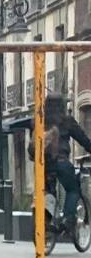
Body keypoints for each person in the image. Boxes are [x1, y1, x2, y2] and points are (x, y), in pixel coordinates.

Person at [28, 93, 91, 235]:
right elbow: (83, 139)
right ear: (62, 106)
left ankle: (46, 221)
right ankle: (67, 220)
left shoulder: (38, 120)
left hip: (42, 164)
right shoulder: (66, 121)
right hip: (61, 161)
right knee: (73, 189)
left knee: (48, 191)